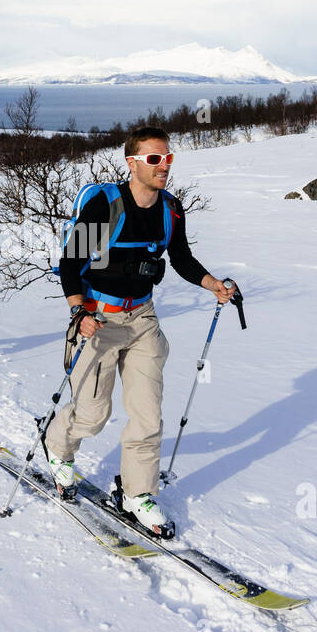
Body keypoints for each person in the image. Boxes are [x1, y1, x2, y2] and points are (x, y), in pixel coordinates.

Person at [45, 126, 235, 534]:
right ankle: (58, 450)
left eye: (168, 158)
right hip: (99, 317)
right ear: (131, 163)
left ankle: (137, 492)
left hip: (143, 319)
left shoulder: (171, 209)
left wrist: (212, 285)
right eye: (154, 159)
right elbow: (71, 261)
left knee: (148, 414)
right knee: (93, 415)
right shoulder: (106, 205)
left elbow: (182, 258)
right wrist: (79, 312)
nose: (163, 165)